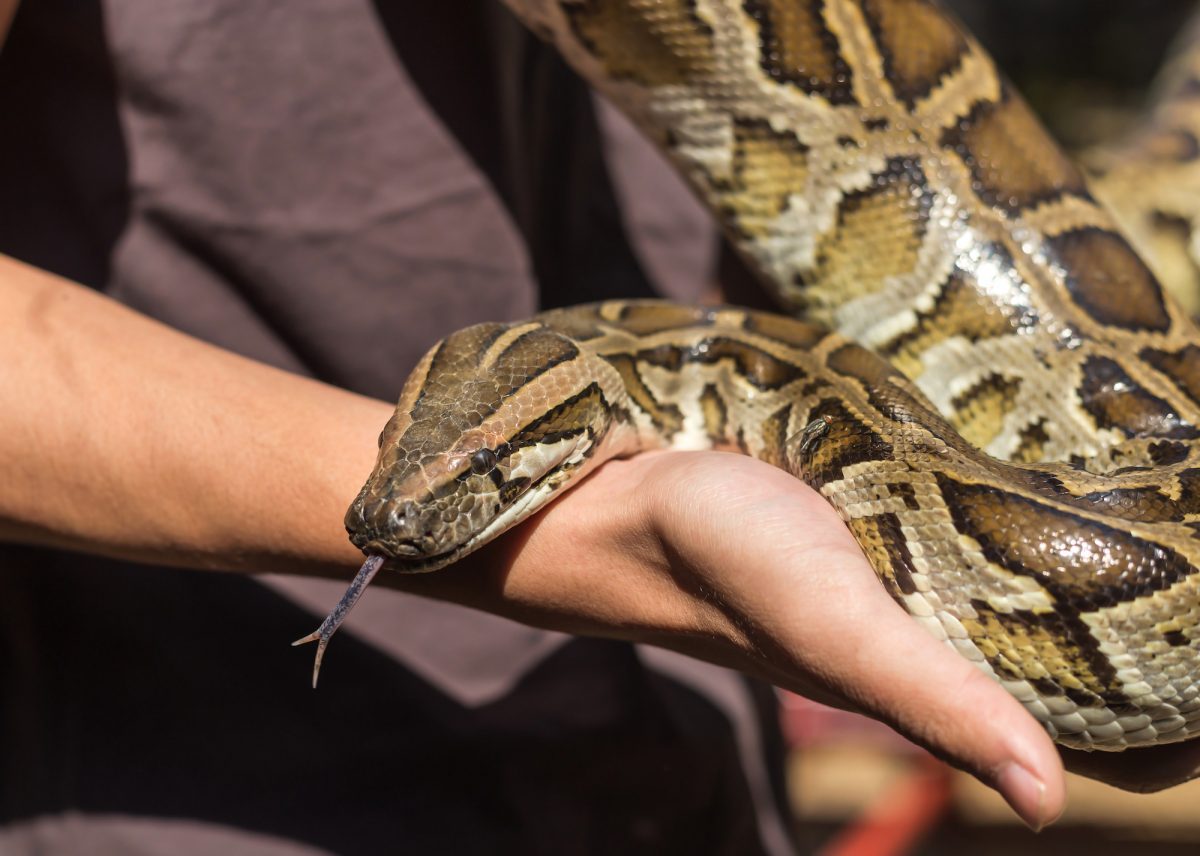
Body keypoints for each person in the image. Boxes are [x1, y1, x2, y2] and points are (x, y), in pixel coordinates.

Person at [0, 1, 1195, 853]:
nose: (399, 505)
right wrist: (602, 550)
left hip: (692, 778)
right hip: (223, 779)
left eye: (473, 464)